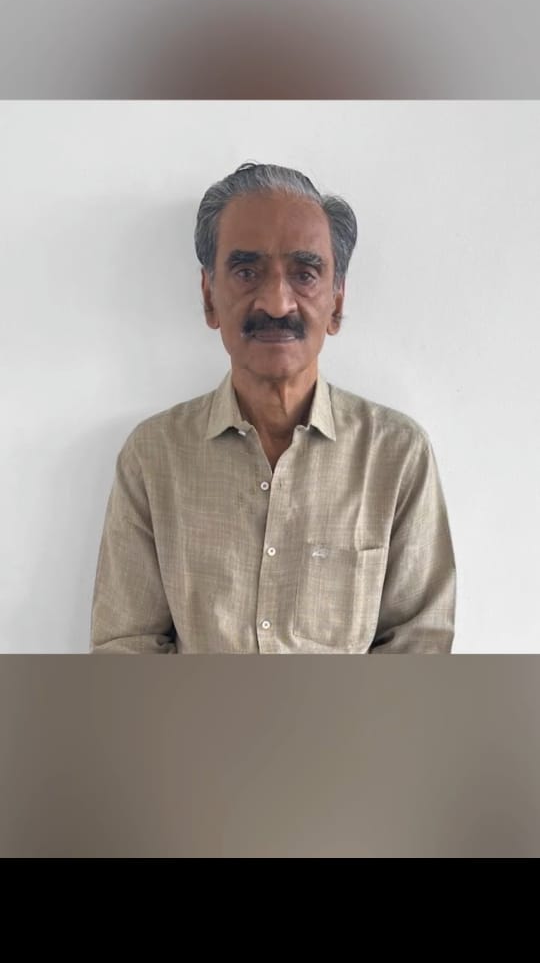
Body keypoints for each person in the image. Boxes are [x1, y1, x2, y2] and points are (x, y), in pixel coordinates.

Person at [90, 162, 456, 654]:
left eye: (305, 274)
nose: (277, 303)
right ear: (209, 297)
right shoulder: (153, 456)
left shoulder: (396, 456)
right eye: (247, 272)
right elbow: (126, 646)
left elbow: (419, 646)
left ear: (337, 302)